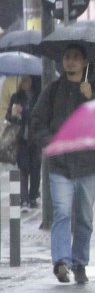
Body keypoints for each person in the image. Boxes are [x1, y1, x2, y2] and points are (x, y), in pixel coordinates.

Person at [31, 45, 95, 284]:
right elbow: (37, 121)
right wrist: (51, 143)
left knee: (84, 218)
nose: (70, 62)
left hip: (87, 163)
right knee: (62, 212)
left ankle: (80, 263)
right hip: (60, 164)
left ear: (85, 62)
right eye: (67, 57)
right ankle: (61, 261)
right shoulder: (53, 90)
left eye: (76, 58)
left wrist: (91, 98)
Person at [6, 75, 40, 208]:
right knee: (23, 169)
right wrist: (15, 115)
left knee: (35, 169)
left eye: (28, 80)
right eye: (23, 80)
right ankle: (24, 198)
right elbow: (9, 117)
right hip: (21, 139)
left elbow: (38, 116)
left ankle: (33, 196)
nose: (25, 83)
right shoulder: (16, 97)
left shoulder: (38, 96)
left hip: (35, 139)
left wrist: (24, 111)